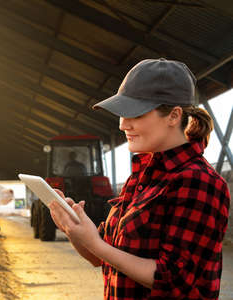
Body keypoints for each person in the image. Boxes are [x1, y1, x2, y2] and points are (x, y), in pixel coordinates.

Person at [49, 58, 230, 299]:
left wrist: (95, 243)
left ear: (173, 116)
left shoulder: (199, 181)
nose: (123, 124)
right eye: (121, 114)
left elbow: (172, 280)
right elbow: (103, 258)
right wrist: (75, 230)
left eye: (135, 114)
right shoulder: (142, 177)